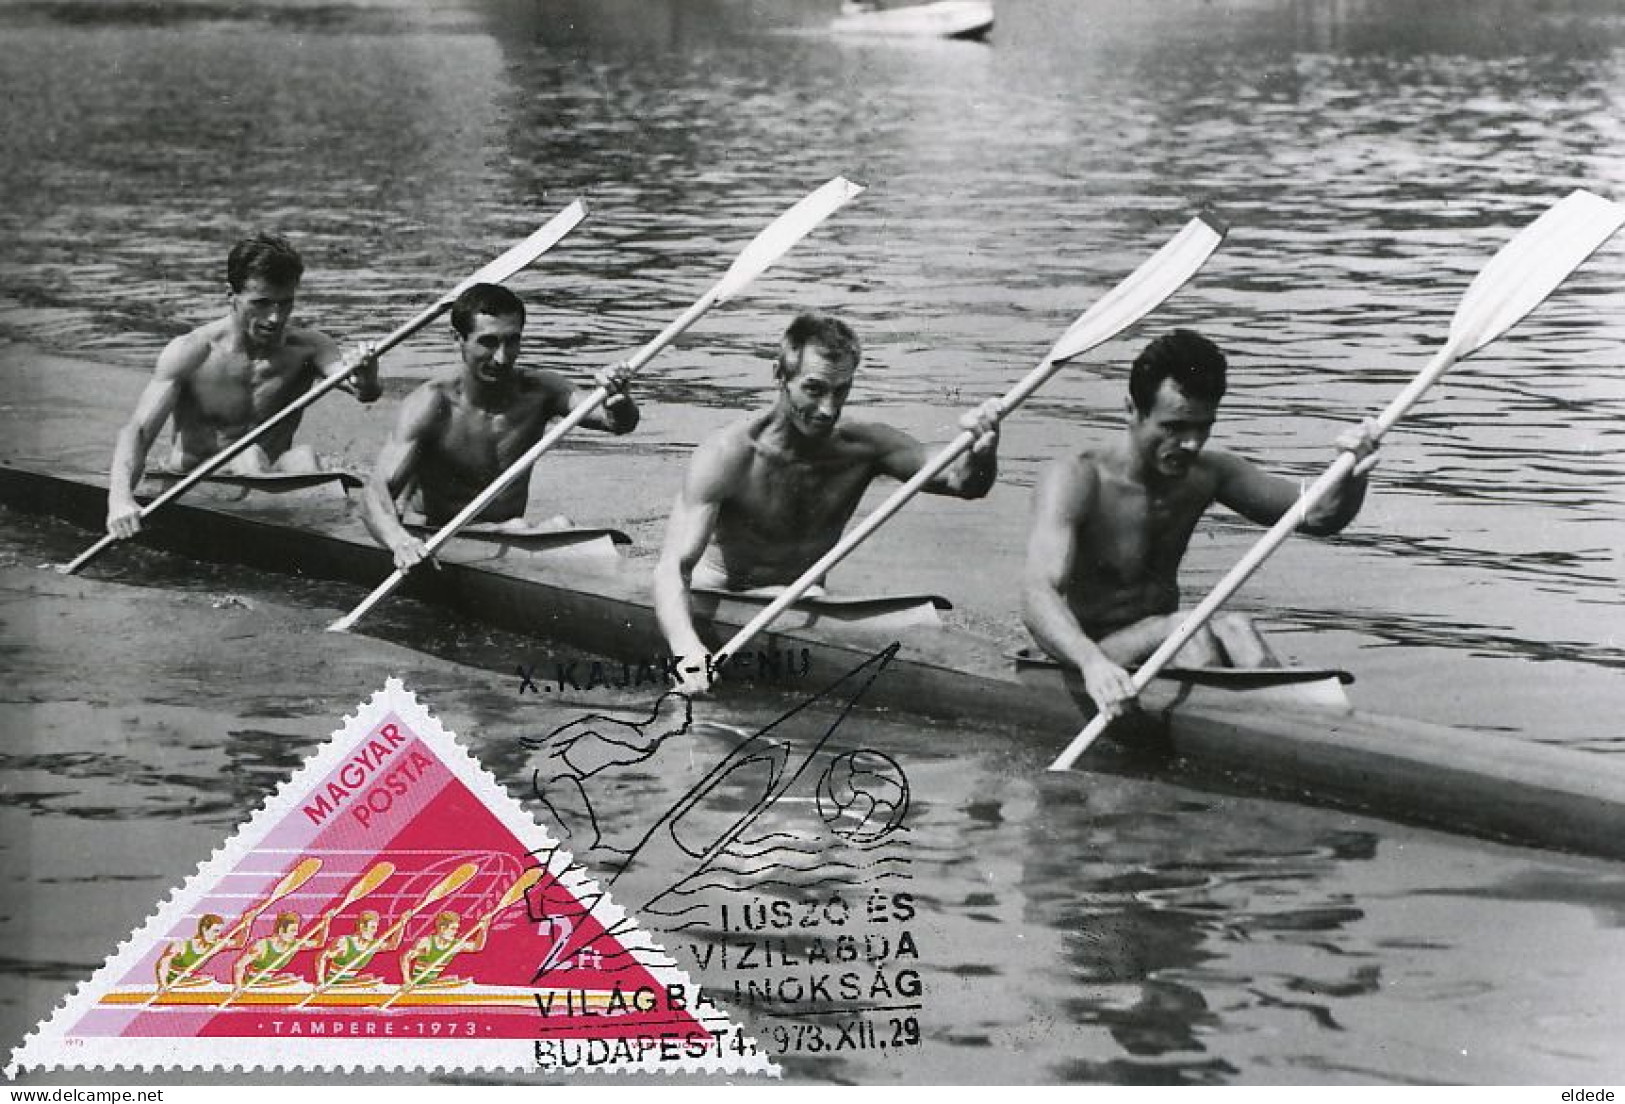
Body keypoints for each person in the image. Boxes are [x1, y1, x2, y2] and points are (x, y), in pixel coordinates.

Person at [1022, 328, 1378, 722]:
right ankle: (1238, 730)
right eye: (1174, 427)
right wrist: (1092, 664)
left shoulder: (1209, 474)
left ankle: (1293, 728)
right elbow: (1037, 596)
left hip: (1167, 644)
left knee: (1237, 627)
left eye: (1203, 426)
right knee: (1184, 629)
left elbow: (1320, 516)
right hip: (1088, 657)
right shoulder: (1076, 478)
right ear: (1131, 410)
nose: (1192, 444)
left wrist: (1353, 472)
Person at [654, 312, 1001, 692]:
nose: (829, 409)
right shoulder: (727, 454)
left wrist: (982, 449)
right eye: (815, 389)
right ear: (780, 375)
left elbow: (963, 483)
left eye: (841, 391)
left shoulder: (864, 447)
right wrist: (686, 649)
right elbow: (673, 568)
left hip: (806, 600)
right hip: (715, 597)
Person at [105, 232, 381, 538]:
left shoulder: (311, 348)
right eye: (261, 303)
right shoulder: (192, 352)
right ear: (230, 295)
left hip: (269, 486)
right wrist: (120, 500)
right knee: (249, 456)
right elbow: (139, 431)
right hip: (194, 484)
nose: (275, 318)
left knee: (302, 457)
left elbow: (362, 391)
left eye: (285, 303)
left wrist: (366, 374)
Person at [361, 283, 638, 570]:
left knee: (556, 525)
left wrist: (617, 400)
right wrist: (399, 541)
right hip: (438, 538)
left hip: (512, 535)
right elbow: (374, 491)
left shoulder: (541, 390)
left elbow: (618, 423)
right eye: (488, 342)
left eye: (512, 341)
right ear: (458, 338)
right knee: (550, 525)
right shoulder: (431, 404)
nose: (502, 358)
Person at [400, 910, 490, 988]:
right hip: (417, 984)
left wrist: (483, 930)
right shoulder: (426, 943)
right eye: (453, 929)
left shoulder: (455, 945)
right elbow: (405, 957)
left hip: (432, 984)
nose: (455, 932)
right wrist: (407, 981)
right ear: (442, 929)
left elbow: (477, 947)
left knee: (453, 978)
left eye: (457, 929)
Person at [316, 910, 399, 988]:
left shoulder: (373, 945)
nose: (375, 931)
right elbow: (321, 957)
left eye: (376, 928)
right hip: (332, 985)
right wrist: (320, 982)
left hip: (349, 984)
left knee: (370, 978)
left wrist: (401, 925)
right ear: (361, 926)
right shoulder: (344, 942)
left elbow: (393, 945)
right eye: (372, 927)